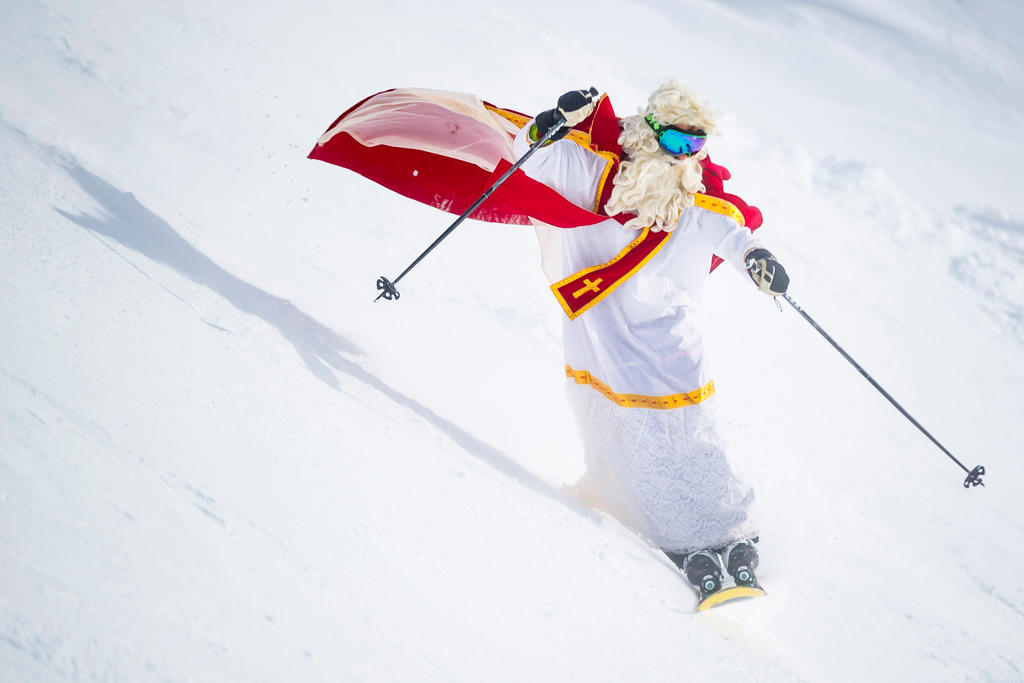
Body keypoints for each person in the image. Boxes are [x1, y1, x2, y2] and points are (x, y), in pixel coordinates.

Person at [511, 80, 789, 602]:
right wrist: (552, 122)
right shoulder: (596, 173)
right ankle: (675, 537)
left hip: (672, 339)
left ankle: (731, 529)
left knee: (692, 430)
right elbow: (530, 162)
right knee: (635, 438)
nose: (687, 155)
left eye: (697, 144)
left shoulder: (694, 201)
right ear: (650, 130)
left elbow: (733, 235)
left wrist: (757, 261)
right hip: (605, 336)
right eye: (678, 142)